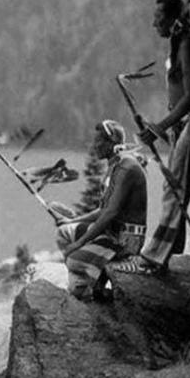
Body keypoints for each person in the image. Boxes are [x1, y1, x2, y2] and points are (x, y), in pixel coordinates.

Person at [114, 0, 190, 276]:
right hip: (186, 124)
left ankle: (155, 256)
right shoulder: (180, 47)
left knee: (172, 186)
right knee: (178, 179)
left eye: (159, 17)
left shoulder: (188, 46)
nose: (154, 22)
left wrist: (158, 128)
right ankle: (170, 250)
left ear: (174, 20)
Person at [45, 120, 148, 301]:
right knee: (64, 233)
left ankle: (86, 292)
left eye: (99, 141)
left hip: (125, 240)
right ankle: (91, 285)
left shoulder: (126, 167)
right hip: (113, 233)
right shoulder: (116, 165)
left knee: (73, 259)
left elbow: (110, 213)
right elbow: (103, 209)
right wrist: (71, 222)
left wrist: (80, 243)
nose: (94, 146)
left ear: (112, 143)